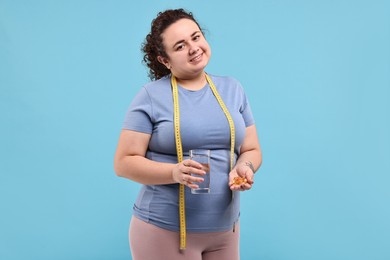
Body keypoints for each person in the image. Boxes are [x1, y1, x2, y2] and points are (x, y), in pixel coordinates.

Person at [114, 8, 262, 260]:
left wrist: (244, 167)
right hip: (164, 232)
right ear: (165, 60)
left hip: (225, 232)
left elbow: (251, 149)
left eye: (196, 37)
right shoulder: (150, 96)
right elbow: (123, 163)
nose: (193, 48)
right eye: (180, 46)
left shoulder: (232, 89)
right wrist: (173, 172)